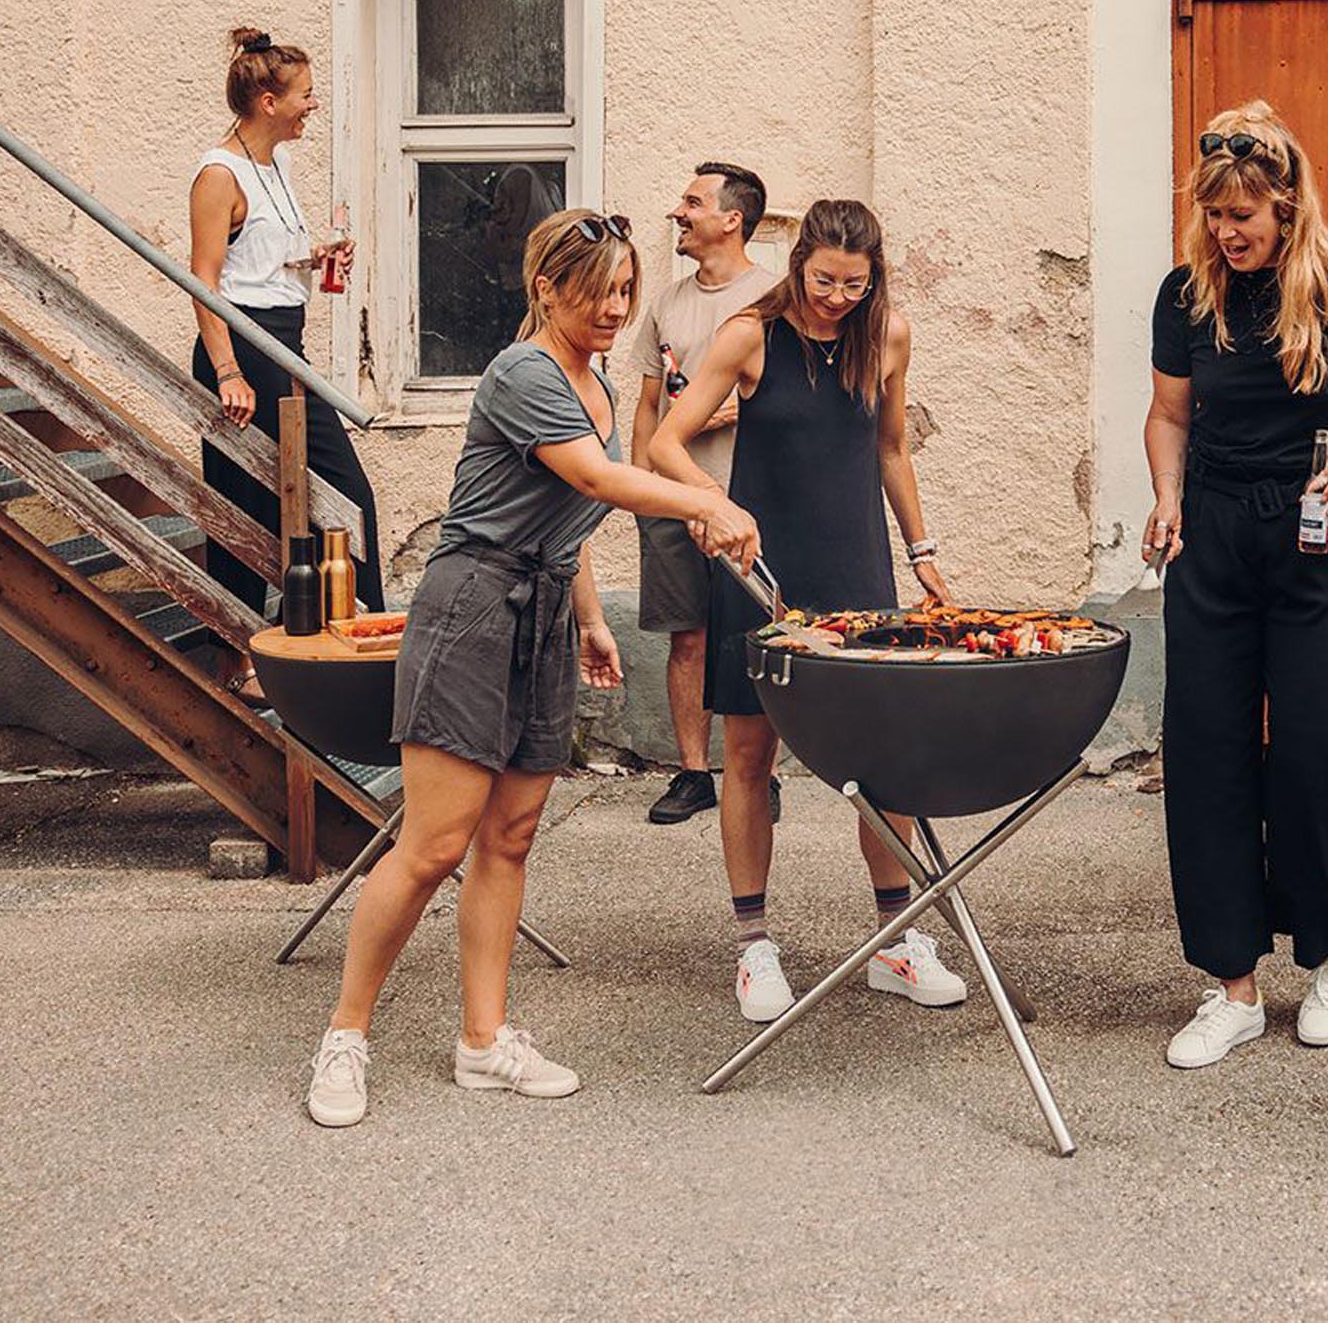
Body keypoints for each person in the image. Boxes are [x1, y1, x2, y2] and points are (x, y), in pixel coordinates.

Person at [302, 209, 759, 1128]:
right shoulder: (523, 373)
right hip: (472, 607)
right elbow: (596, 482)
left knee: (509, 838)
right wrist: (711, 501)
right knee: (433, 844)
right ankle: (345, 1037)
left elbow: (570, 510)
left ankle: (483, 1040)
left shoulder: (590, 386)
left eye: (625, 292)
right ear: (544, 287)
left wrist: (590, 617)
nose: (614, 310)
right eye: (595, 293)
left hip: (543, 607)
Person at [648, 198, 968, 1023]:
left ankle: (897, 940)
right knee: (750, 757)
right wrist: (712, 505)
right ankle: (755, 947)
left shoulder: (887, 333)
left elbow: (891, 447)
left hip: (859, 568)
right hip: (762, 572)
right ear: (800, 265)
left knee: (884, 757)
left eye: (854, 285)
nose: (836, 297)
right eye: (824, 279)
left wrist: (922, 552)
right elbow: (664, 443)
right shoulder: (751, 334)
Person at [1144, 100, 1328, 1069]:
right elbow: (1167, 416)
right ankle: (1228, 986)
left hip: (1320, 532)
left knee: (1310, 753)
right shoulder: (1185, 295)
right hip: (1212, 532)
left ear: (1287, 205)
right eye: (1215, 215)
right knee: (1207, 755)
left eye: (1244, 216)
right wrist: (1166, 498)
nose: (1228, 232)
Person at [189, 26, 381, 699]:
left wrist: (315, 257)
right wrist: (228, 371)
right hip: (244, 346)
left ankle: (349, 640)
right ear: (268, 102)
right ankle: (234, 661)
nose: (314, 105)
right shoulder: (221, 172)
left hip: (281, 339)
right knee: (253, 495)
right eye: (305, 95)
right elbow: (205, 280)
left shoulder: (274, 165)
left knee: (329, 496)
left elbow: (258, 261)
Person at [629, 163, 782, 826]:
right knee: (685, 635)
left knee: (758, 636)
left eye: (691, 202)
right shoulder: (666, 301)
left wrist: (725, 411)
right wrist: (641, 484)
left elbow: (794, 403)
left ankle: (761, 774)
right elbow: (646, 402)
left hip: (750, 496)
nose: (677, 212)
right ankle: (693, 773)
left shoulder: (777, 298)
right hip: (671, 495)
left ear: (731, 219)